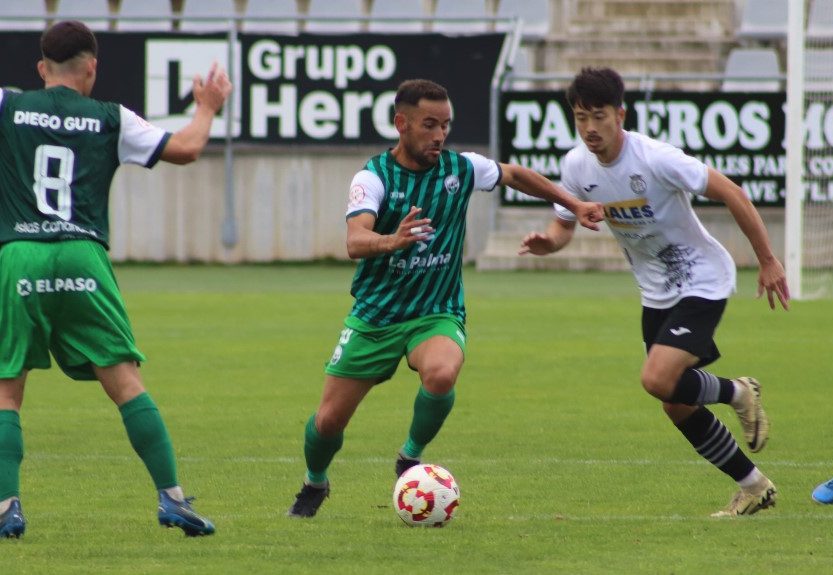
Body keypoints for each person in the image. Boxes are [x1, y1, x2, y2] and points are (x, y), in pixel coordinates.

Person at [287, 78, 604, 518]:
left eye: (445, 125)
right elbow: (355, 240)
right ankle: (315, 483)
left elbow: (514, 174)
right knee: (327, 422)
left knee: (441, 373)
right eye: (428, 125)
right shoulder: (373, 177)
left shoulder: (460, 169)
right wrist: (390, 241)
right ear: (401, 124)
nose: (439, 135)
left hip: (436, 311)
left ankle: (409, 458)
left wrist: (570, 201)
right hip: (375, 315)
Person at [519, 67, 790, 517]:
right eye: (580, 116)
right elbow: (563, 224)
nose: (589, 127)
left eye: (599, 116)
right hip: (655, 292)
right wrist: (550, 242)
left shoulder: (656, 158)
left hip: (703, 280)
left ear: (620, 114)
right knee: (674, 403)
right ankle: (753, 485)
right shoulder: (575, 166)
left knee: (656, 380)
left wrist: (766, 259)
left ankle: (738, 392)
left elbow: (733, 193)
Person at [0, 21, 232, 538]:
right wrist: (208, 106)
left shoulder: (7, 105)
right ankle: (172, 500)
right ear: (92, 67)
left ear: (42, 68)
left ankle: (6, 507)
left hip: (19, 255)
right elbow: (188, 147)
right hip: (83, 254)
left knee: (7, 390)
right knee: (125, 382)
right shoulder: (111, 117)